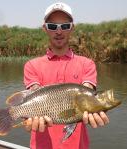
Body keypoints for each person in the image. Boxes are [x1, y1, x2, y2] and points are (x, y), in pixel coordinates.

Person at [23, 2, 109, 149]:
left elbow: (86, 90)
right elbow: (34, 93)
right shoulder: (32, 65)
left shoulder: (87, 64)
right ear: (45, 29)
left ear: (72, 28)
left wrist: (95, 106)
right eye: (52, 26)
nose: (59, 31)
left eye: (64, 26)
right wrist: (28, 119)